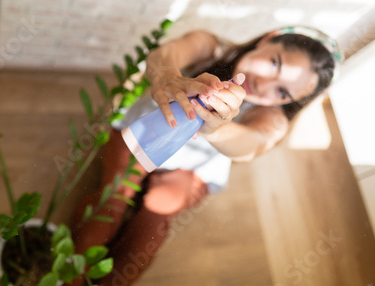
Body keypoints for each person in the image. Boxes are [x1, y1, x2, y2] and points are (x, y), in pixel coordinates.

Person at [70, 25, 342, 286]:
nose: (263, 84)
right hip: (143, 134)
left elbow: (252, 146)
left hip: (191, 169)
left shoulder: (271, 117)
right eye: (275, 64)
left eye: (282, 92)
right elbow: (164, 55)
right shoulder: (211, 48)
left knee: (155, 219)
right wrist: (168, 78)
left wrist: (217, 128)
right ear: (268, 39)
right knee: (110, 203)